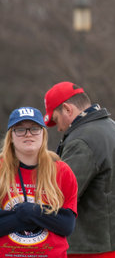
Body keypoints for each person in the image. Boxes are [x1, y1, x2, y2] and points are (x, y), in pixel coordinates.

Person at [43, 82, 115, 258]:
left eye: (56, 119)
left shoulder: (81, 140)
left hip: (90, 250)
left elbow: (58, 196)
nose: (59, 128)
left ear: (67, 109)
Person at [0, 107, 77, 257]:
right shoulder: (1, 169)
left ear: (43, 134)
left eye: (34, 128)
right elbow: (57, 222)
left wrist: (32, 212)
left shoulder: (61, 171)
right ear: (11, 136)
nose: (28, 134)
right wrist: (41, 217)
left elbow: (66, 225)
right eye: (20, 129)